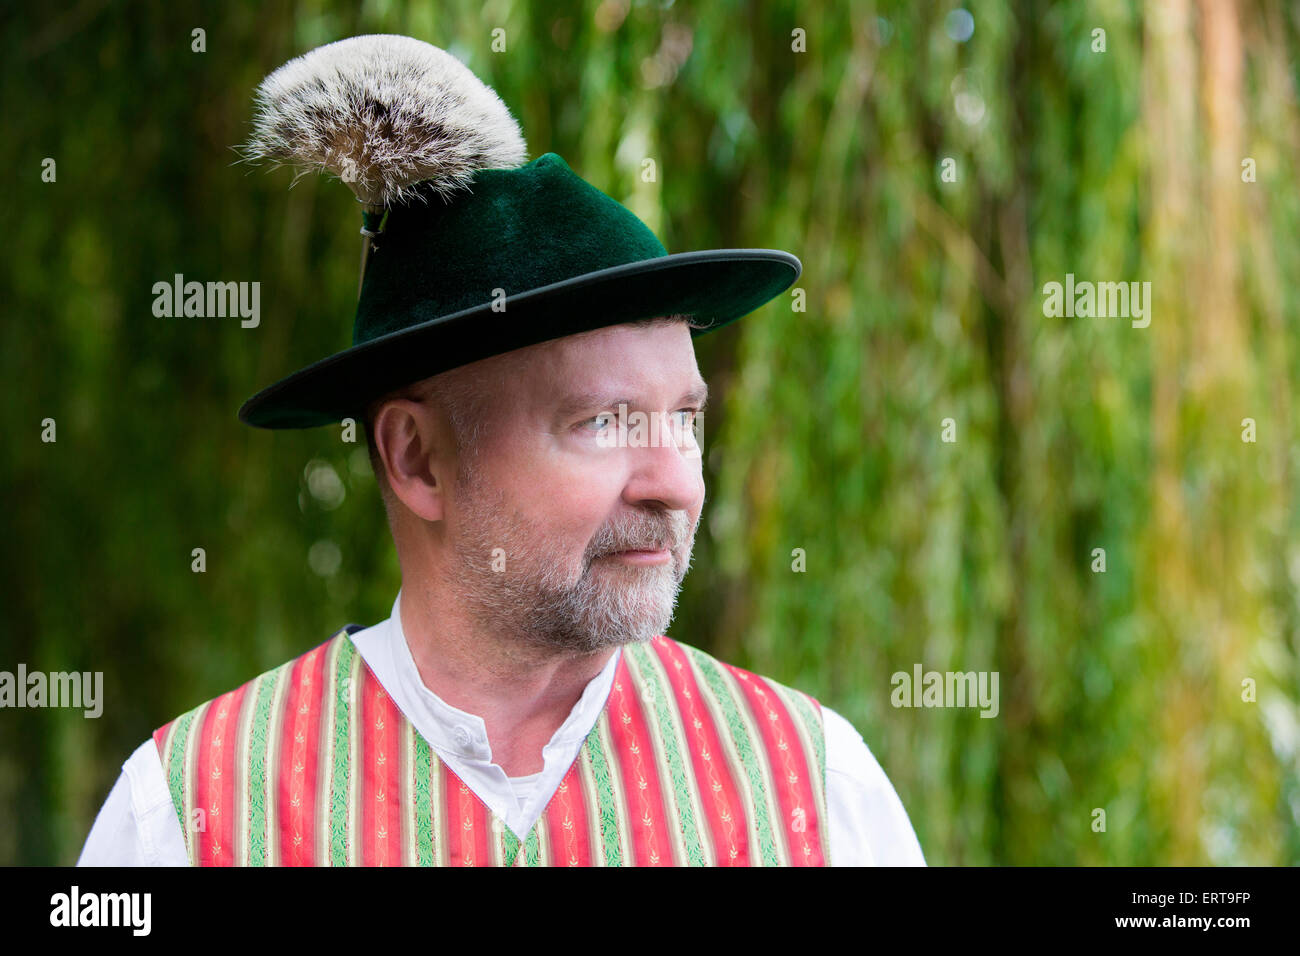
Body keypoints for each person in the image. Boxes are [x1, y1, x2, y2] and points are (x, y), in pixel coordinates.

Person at [78, 34, 924, 867]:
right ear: (416, 459)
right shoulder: (189, 814)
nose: (674, 482)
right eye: (604, 421)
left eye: (686, 421)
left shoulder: (816, 788)